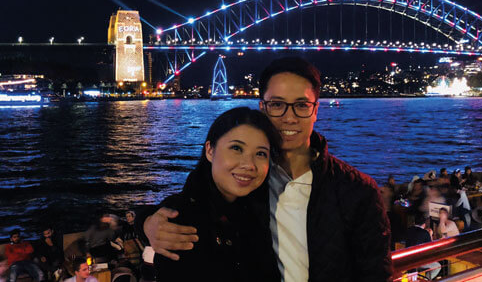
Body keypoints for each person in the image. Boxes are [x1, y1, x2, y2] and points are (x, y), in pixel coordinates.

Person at [139, 57, 392, 282]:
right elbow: (198, 199)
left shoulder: (358, 191)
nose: (289, 118)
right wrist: (148, 222)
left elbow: (375, 274)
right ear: (263, 108)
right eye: (277, 104)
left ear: (316, 110)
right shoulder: (247, 179)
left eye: (302, 105)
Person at [153, 107, 281, 282]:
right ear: (210, 151)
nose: (249, 165)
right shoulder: (180, 222)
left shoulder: (264, 210)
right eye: (236, 148)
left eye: (260, 153)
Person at [405, 214, 441, 280]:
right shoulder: (425, 233)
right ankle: (426, 279)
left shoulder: (409, 230)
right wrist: (430, 235)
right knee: (438, 266)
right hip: (418, 261)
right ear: (424, 224)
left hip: (407, 261)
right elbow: (431, 248)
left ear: (414, 222)